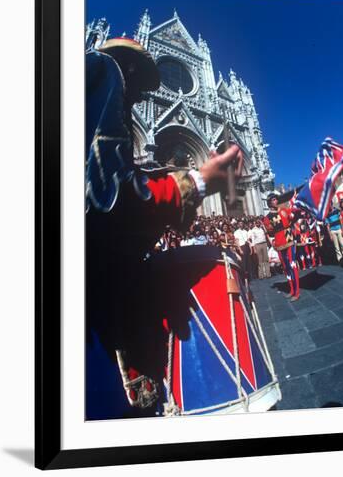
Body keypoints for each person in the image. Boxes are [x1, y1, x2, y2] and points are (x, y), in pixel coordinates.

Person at [85, 37, 243, 418]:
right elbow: (112, 197)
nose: (136, 101)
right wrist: (200, 180)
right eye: (137, 91)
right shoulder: (103, 73)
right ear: (129, 72)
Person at [263, 193, 300, 301]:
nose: (276, 201)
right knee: (286, 267)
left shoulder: (284, 210)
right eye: (273, 200)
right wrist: (273, 242)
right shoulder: (267, 218)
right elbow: (270, 232)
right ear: (269, 202)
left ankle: (297, 292)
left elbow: (294, 215)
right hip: (279, 243)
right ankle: (292, 290)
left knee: (293, 265)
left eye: (276, 199)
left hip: (288, 239)